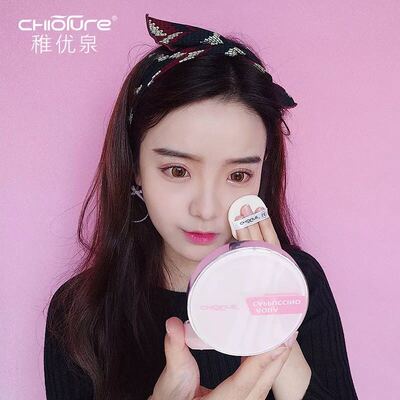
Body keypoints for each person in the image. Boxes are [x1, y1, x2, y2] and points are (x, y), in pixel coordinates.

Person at [44, 14, 359, 400]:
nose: (207, 209)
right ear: (135, 168)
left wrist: (274, 321)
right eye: (177, 170)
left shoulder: (299, 282)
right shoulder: (78, 313)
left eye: (238, 175)